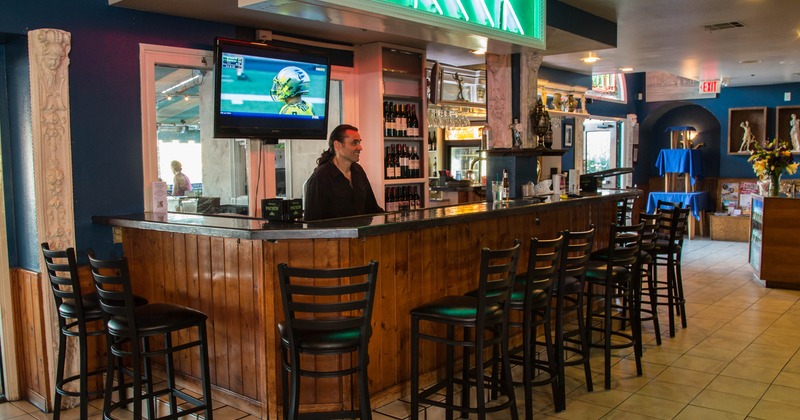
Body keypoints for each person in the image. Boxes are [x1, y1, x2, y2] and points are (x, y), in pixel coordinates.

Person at [304, 124, 384, 221]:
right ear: (337, 145)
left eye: (359, 142)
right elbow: (312, 222)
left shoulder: (358, 171)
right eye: (354, 143)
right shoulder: (320, 178)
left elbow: (372, 209)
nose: (360, 147)